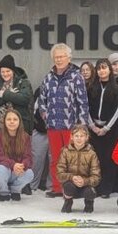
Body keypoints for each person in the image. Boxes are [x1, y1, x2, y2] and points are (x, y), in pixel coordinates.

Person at [38, 42, 89, 197]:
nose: (58, 60)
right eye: (56, 57)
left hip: (71, 126)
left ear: (69, 58)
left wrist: (82, 126)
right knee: (55, 159)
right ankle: (57, 188)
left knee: (72, 159)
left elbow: (83, 102)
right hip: (53, 125)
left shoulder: (76, 77)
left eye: (61, 56)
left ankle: (72, 188)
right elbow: (41, 100)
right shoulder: (48, 77)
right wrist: (45, 114)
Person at [87, 58, 118, 197]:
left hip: (110, 130)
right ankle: (94, 187)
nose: (102, 71)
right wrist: (92, 125)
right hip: (93, 129)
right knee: (95, 159)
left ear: (109, 69)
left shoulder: (117, 89)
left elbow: (117, 110)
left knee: (108, 159)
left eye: (104, 68)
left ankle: (106, 189)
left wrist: (106, 128)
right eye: (99, 68)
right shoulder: (90, 88)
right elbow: (86, 108)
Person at [56, 123, 101, 213]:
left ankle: (89, 202)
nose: (79, 138)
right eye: (76, 136)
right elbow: (59, 173)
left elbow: (96, 176)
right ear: (72, 137)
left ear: (86, 137)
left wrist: (85, 181)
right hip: (71, 183)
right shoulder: (65, 151)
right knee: (68, 186)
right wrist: (72, 177)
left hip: (86, 184)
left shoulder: (92, 153)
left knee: (90, 191)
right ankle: (68, 201)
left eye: (82, 136)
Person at [0, 108, 34, 201]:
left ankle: (16, 190)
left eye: (15, 119)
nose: (12, 122)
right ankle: (3, 192)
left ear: (19, 121)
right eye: (9, 119)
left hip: (18, 171)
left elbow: (28, 156)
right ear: (4, 121)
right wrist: (13, 164)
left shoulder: (25, 136)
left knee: (30, 173)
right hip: (5, 169)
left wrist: (23, 165)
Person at [0, 55, 33, 138]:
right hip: (0, 127)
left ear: (13, 71)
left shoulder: (23, 82)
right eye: (2, 72)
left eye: (8, 71)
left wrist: (4, 94)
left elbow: (25, 99)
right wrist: (9, 95)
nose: (5, 74)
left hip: (20, 127)